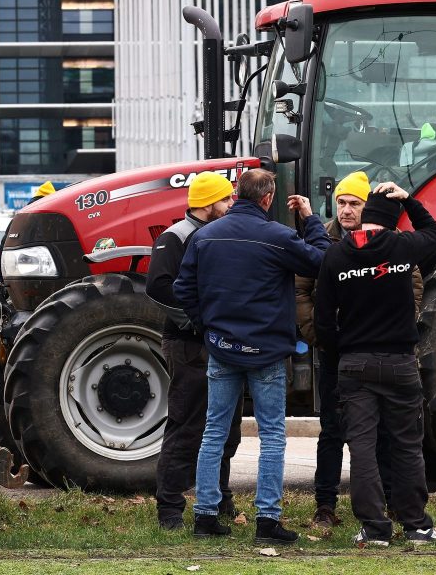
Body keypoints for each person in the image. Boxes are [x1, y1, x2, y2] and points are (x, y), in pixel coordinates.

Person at [175, 168, 329, 544]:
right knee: (273, 435)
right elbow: (323, 261)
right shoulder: (277, 237)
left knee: (213, 432)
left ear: (237, 194)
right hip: (267, 352)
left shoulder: (204, 237)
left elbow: (183, 290)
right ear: (267, 198)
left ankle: (204, 516)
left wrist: (206, 327)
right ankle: (267, 521)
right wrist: (310, 219)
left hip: (222, 349)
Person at [314, 182, 436, 548]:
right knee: (405, 446)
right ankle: (416, 525)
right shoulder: (402, 247)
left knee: (363, 448)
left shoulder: (336, 257)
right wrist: (410, 200)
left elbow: (323, 320)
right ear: (390, 221)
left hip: (355, 365)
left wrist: (341, 354)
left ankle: (374, 529)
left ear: (366, 216)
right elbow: (433, 232)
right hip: (401, 363)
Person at [293, 172, 421, 529]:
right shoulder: (323, 240)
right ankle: (325, 504)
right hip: (335, 351)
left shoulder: (390, 241)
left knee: (381, 434)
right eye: (341, 203)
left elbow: (414, 286)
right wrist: (320, 338)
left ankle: (390, 502)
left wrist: (399, 326)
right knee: (332, 429)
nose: (347, 210)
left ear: (367, 207)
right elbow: (303, 291)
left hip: (369, 350)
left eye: (355, 204)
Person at [145, 171, 239, 531]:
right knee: (187, 426)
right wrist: (198, 322)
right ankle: (170, 508)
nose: (232, 205)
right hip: (189, 345)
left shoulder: (215, 233)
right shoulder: (175, 238)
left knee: (226, 428)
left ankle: (219, 497)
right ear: (209, 203)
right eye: (226, 199)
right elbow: (158, 289)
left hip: (218, 343)